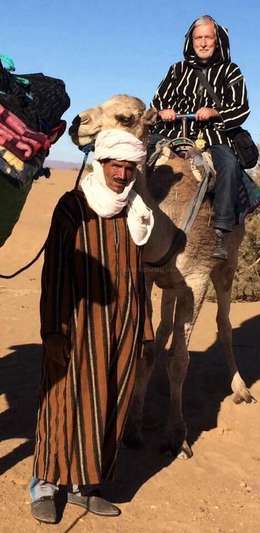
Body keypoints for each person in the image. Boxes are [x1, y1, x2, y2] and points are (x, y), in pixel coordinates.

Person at [30, 129, 154, 524]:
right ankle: (46, 483)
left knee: (110, 401)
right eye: (115, 165)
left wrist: (145, 327)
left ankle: (88, 484)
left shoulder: (137, 211)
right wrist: (52, 330)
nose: (122, 174)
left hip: (124, 323)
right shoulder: (72, 207)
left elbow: (139, 275)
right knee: (63, 399)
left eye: (129, 167)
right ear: (101, 163)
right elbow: (54, 273)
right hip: (77, 320)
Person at [150, 15, 251, 260]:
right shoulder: (176, 70)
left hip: (214, 135)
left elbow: (242, 108)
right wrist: (163, 112)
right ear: (191, 41)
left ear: (217, 41)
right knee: (141, 153)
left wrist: (215, 112)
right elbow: (155, 104)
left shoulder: (231, 71)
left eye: (208, 37)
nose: (203, 42)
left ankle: (220, 233)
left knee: (227, 164)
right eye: (198, 37)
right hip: (172, 132)